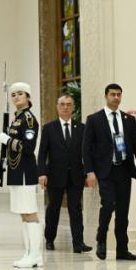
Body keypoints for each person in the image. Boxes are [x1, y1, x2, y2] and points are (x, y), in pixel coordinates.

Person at [83, 84, 136, 261]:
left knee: (122, 211)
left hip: (124, 170)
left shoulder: (128, 120)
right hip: (105, 170)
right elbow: (86, 148)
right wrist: (89, 171)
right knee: (108, 205)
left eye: (119, 95)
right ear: (106, 96)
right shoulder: (94, 119)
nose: (116, 98)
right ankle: (101, 240)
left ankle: (122, 249)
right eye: (112, 94)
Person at [38, 95, 91, 253]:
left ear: (73, 107)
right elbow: (42, 153)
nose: (65, 107)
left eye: (69, 104)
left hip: (76, 175)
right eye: (62, 104)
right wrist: (42, 173)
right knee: (53, 208)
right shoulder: (49, 128)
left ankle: (78, 243)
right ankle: (49, 239)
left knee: (76, 209)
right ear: (57, 107)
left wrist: (88, 173)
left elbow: (87, 153)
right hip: (55, 175)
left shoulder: (81, 128)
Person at [0, 82, 42, 268]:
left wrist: (8, 140)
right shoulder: (17, 119)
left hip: (25, 172)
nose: (16, 97)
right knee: (23, 214)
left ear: (28, 97)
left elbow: (29, 148)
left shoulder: (28, 119)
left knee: (30, 213)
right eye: (13, 94)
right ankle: (29, 252)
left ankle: (36, 255)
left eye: (20, 94)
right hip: (16, 171)